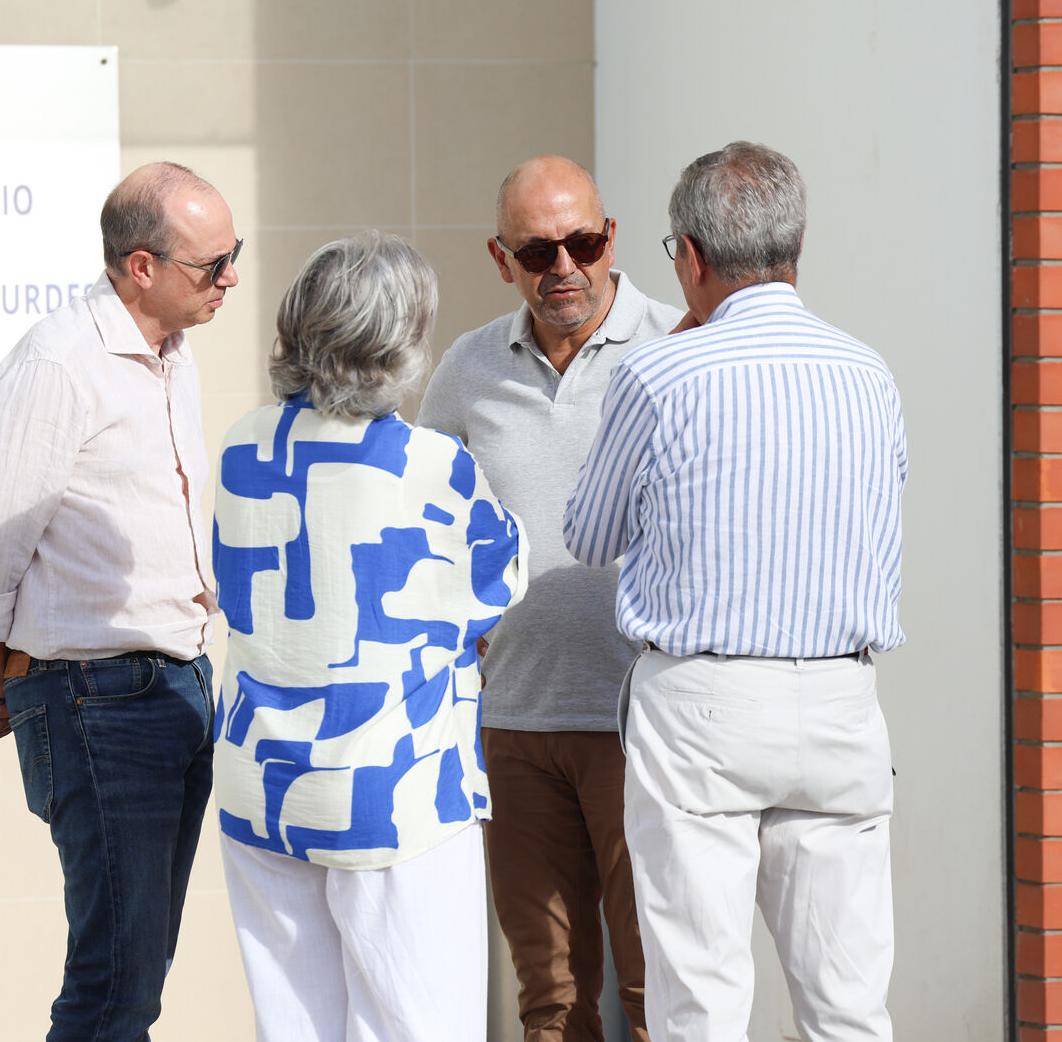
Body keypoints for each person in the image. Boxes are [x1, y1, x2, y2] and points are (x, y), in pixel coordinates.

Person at [563, 141, 908, 1042]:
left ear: (690, 258)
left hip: (704, 703)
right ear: (796, 250)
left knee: (701, 1003)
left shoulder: (658, 373)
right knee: (848, 1006)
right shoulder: (868, 373)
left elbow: (589, 537)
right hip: (841, 693)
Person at [212, 229, 527, 1042]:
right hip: (393, 793)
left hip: (266, 785)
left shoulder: (244, 445)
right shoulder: (429, 464)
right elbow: (499, 575)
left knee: (295, 1024)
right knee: (418, 1024)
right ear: (396, 345)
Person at [0, 161, 239, 1040]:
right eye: (212, 265)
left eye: (234, 255)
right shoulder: (57, 365)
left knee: (137, 978)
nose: (230, 278)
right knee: (114, 986)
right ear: (141, 267)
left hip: (178, 686)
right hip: (96, 700)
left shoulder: (173, 354)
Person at [418, 155, 679, 1041]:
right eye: (538, 249)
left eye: (583, 240)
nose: (563, 265)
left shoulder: (679, 348)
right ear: (502, 259)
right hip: (518, 728)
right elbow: (424, 520)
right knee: (553, 1001)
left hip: (648, 724)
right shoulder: (467, 368)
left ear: (613, 238)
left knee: (659, 996)